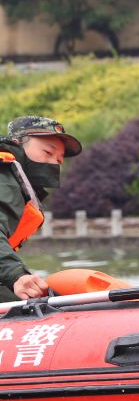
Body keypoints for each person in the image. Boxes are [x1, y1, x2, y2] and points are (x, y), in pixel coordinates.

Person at [0, 116, 82, 301]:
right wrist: (17, 276)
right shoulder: (5, 177)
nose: (53, 163)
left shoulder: (18, 186)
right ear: (18, 144)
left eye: (59, 161)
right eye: (47, 152)